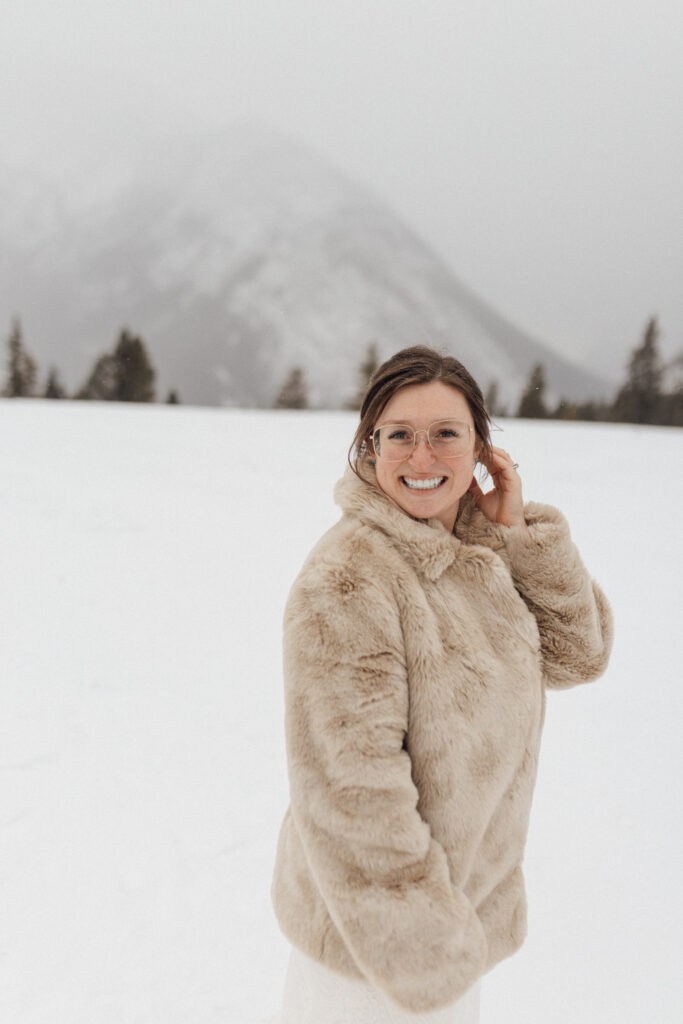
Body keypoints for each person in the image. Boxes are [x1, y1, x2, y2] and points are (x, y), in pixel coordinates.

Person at [270, 345, 614, 1023]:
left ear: (482, 450)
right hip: (376, 954)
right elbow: (350, 792)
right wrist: (427, 954)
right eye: (399, 435)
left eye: (445, 435)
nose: (421, 457)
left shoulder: (480, 550)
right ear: (369, 449)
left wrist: (516, 532)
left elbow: (578, 654)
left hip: (452, 930)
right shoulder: (347, 580)